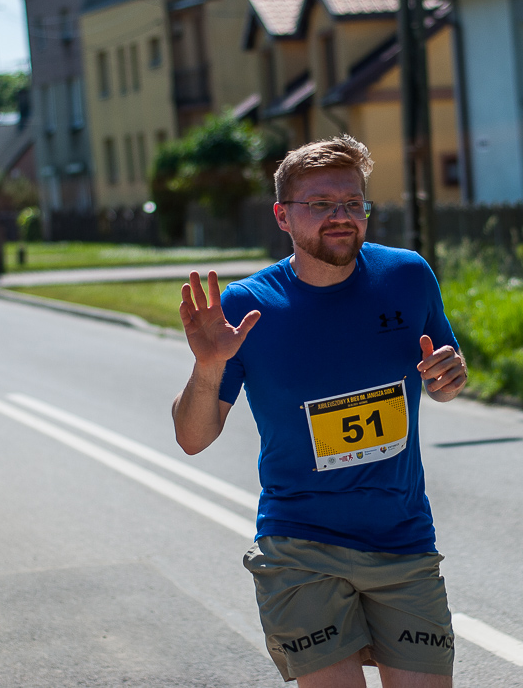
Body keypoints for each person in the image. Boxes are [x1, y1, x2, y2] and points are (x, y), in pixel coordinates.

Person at [172, 136, 468, 687]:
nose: (341, 217)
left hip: (402, 538)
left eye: (353, 202)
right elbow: (193, 438)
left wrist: (450, 379)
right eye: (321, 204)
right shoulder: (246, 306)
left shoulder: (407, 276)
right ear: (283, 216)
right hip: (299, 546)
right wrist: (209, 364)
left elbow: (443, 374)